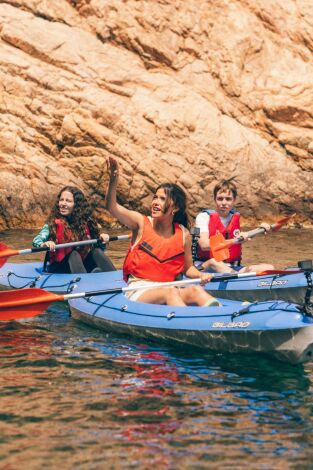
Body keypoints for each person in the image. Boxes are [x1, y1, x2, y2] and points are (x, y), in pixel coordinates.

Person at [105, 156, 220, 307]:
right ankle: (188, 326)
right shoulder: (140, 222)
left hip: (169, 287)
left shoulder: (184, 234)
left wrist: (200, 275)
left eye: (162, 199)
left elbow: (188, 268)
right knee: (170, 292)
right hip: (140, 289)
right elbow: (111, 207)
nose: (155, 202)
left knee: (196, 290)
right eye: (155, 198)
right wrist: (114, 179)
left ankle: (222, 322)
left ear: (175, 208)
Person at [195, 180, 274, 273]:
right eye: (220, 199)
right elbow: (204, 245)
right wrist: (234, 241)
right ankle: (238, 277)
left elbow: (242, 237)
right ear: (214, 199)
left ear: (234, 200)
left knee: (269, 267)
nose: (224, 203)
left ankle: (238, 275)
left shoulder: (234, 217)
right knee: (214, 262)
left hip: (230, 267)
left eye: (228, 199)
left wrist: (260, 229)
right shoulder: (203, 217)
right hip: (204, 266)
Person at [33, 186, 116, 274]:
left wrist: (102, 241)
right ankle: (85, 281)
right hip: (60, 268)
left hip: (81, 266)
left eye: (68, 201)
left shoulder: (86, 223)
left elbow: (100, 249)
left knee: (97, 251)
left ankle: (115, 279)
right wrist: (44, 244)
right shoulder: (52, 224)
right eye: (61, 200)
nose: (63, 204)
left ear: (76, 205)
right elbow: (36, 240)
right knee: (74, 254)